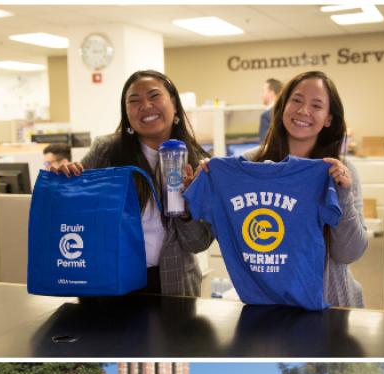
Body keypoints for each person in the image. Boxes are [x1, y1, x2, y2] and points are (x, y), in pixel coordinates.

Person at [51, 70, 214, 296]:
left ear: (174, 104)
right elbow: (73, 206)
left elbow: (197, 244)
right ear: (126, 113)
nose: (145, 105)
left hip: (172, 285)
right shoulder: (107, 151)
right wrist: (66, 175)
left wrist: (186, 215)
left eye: (154, 96)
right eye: (134, 101)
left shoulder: (197, 162)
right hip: (111, 283)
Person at [250, 71, 366, 307]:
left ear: (328, 119)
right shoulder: (251, 165)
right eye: (297, 100)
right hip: (270, 304)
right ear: (283, 106)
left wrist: (342, 196)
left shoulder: (341, 171)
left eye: (316, 105)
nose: (304, 111)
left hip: (330, 302)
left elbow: (349, 253)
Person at [259, 78, 282, 143]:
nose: (262, 95)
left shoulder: (266, 116)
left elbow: (264, 144)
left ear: (271, 93)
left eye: (263, 91)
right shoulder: (284, 111)